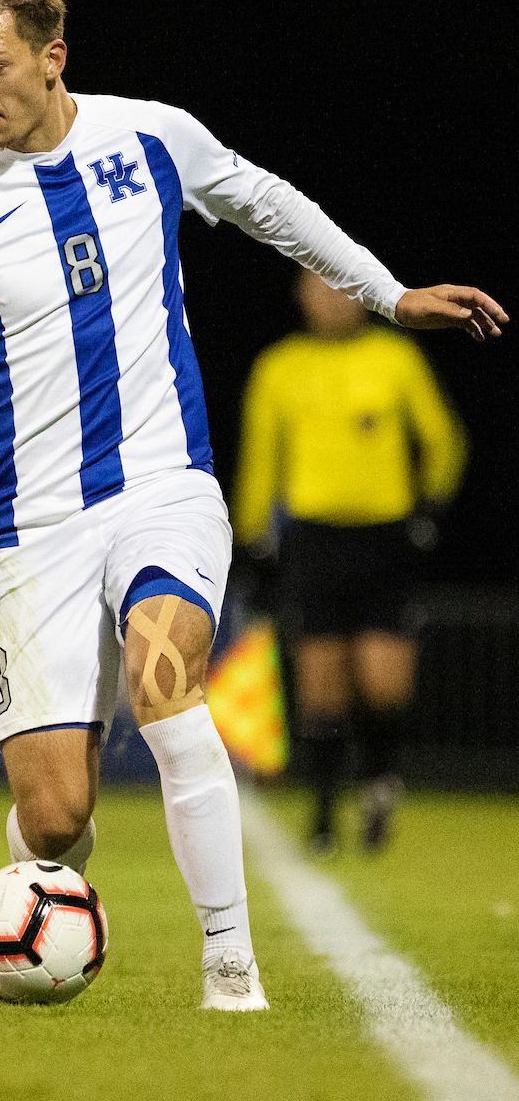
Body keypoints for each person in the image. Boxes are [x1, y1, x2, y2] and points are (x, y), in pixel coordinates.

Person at [0, 0, 506, 1011]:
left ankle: (230, 965)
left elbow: (267, 204)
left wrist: (389, 294)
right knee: (54, 821)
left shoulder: (150, 139)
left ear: (52, 56)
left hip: (161, 488)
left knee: (166, 690)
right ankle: (39, 886)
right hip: (26, 525)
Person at [232, 268, 468, 853]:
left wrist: (429, 508)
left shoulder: (395, 357)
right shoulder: (278, 366)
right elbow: (260, 459)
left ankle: (380, 781)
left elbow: (444, 441)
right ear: (301, 295)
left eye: (342, 288)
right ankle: (323, 815)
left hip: (384, 538)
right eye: (320, 288)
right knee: (321, 684)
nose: (332, 300)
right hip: (313, 541)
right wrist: (253, 540)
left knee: (384, 682)